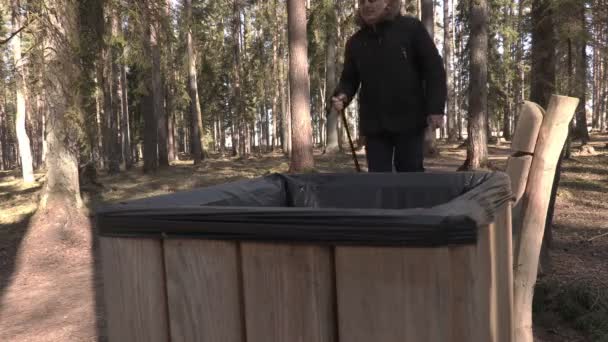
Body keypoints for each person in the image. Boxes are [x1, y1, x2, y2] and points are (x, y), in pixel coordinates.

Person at [332, 0, 447, 172]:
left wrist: (435, 108)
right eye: (362, 2)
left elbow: (434, 69)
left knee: (410, 176)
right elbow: (349, 79)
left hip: (410, 120)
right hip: (374, 125)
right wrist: (342, 95)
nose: (366, 6)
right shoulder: (355, 42)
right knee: (378, 180)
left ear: (388, 3)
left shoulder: (411, 29)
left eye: (372, 0)